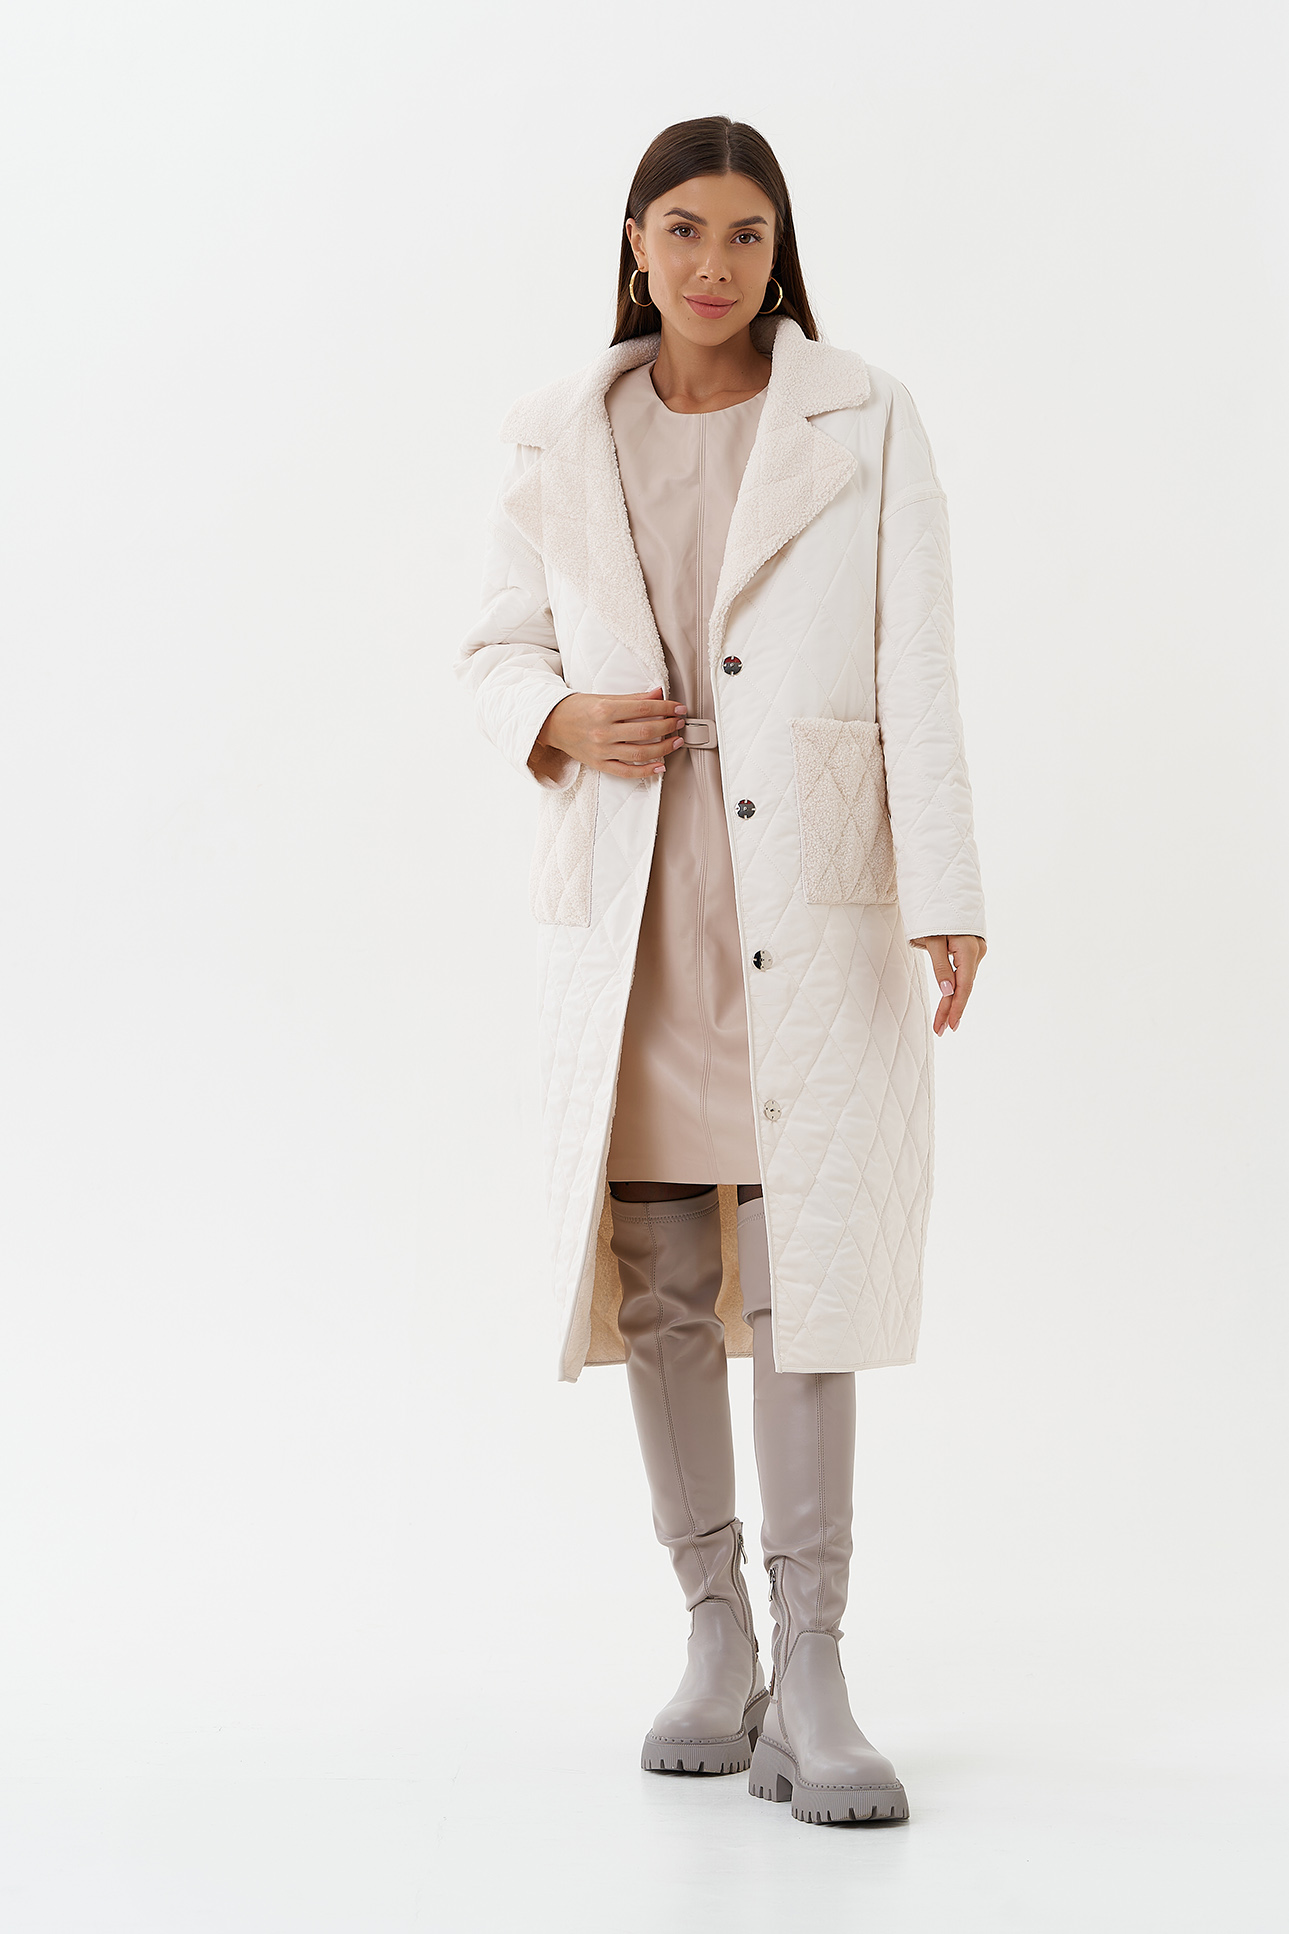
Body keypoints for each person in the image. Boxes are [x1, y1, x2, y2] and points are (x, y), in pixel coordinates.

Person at [458, 115, 986, 1826]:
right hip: (639, 903)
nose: (710, 263)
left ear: (778, 252)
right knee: (667, 1273)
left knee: (803, 1268)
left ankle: (812, 1663)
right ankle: (713, 1634)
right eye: (680, 229)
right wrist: (557, 715)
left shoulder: (863, 415)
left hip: (804, 898)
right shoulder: (558, 427)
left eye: (744, 234)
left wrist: (945, 887)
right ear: (633, 242)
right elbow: (493, 643)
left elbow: (916, 660)